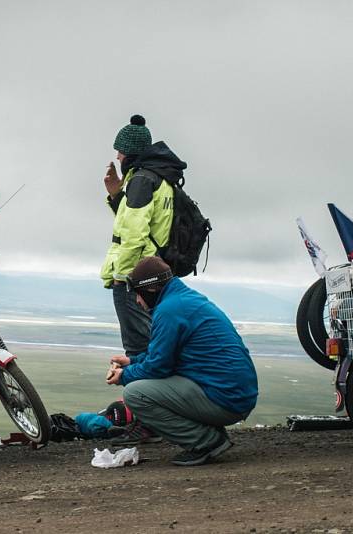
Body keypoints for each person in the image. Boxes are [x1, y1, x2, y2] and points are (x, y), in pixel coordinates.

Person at [106, 256, 258, 466]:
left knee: (135, 394)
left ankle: (206, 441)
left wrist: (124, 376)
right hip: (232, 393)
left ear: (150, 290)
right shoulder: (183, 300)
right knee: (151, 383)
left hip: (225, 398)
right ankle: (208, 432)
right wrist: (131, 361)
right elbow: (165, 355)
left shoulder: (169, 310)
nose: (138, 302)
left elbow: (159, 367)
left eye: (137, 294)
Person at [100, 114, 187, 358]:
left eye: (120, 151)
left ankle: (142, 394)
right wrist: (117, 195)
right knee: (151, 340)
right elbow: (145, 224)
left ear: (131, 153)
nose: (117, 157)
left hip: (135, 274)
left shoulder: (141, 181)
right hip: (154, 270)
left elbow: (134, 235)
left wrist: (123, 277)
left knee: (138, 346)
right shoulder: (161, 178)